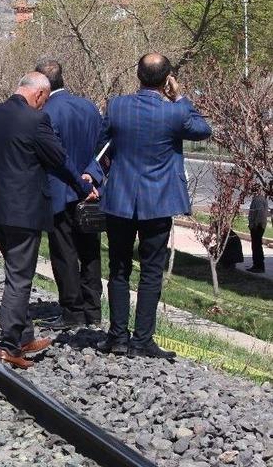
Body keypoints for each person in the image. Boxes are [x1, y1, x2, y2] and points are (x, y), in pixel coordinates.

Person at [87, 53, 212, 359]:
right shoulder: (175, 112)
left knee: (118, 268)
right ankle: (142, 340)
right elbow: (203, 129)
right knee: (152, 270)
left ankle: (117, 336)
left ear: (138, 76)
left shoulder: (117, 106)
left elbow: (100, 142)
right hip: (158, 202)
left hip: (119, 199)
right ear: (167, 77)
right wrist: (180, 96)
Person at [0, 72, 95, 369]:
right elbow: (60, 161)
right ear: (39, 95)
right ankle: (9, 345)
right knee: (19, 278)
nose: (44, 105)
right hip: (24, 211)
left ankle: (24, 336)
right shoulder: (36, 121)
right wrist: (84, 188)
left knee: (14, 271)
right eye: (45, 100)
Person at [34, 60, 105, 330]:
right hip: (90, 193)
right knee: (90, 253)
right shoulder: (89, 107)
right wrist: (92, 176)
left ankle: (72, 311)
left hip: (61, 192)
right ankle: (93, 312)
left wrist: (79, 183)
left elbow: (57, 157)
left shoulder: (45, 113)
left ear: (42, 83)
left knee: (64, 253)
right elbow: (103, 147)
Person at [248, 193, 269, 273]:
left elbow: (260, 213)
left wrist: (255, 225)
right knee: (256, 246)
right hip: (258, 226)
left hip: (257, 226)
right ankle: (257, 265)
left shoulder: (258, 199)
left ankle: (258, 266)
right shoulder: (259, 198)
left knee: (256, 246)